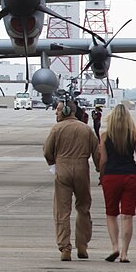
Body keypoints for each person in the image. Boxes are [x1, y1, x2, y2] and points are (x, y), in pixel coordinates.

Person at [43, 99, 100, 261]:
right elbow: (97, 153)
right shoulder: (86, 130)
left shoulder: (56, 129)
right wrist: (100, 170)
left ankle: (65, 248)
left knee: (62, 211)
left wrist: (53, 163)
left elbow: (47, 151)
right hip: (82, 170)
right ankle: (82, 246)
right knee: (83, 208)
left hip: (63, 170)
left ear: (68, 111)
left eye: (59, 110)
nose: (56, 112)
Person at [98, 104, 136, 263]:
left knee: (111, 213)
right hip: (131, 177)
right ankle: (124, 253)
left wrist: (102, 176)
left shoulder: (105, 136)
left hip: (112, 177)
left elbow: (103, 160)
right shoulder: (134, 135)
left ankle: (114, 247)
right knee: (127, 216)